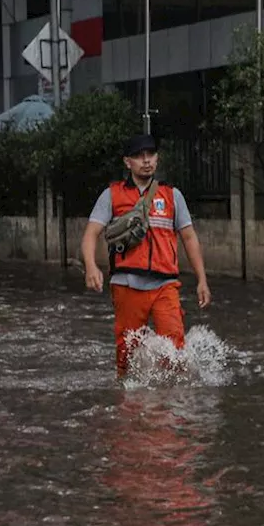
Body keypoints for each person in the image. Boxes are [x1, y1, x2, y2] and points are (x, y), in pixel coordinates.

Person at [80, 134, 212, 376]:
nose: (146, 161)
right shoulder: (112, 195)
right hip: (127, 284)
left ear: (157, 159)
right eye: (139, 157)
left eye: (150, 155)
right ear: (127, 162)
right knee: (126, 354)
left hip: (165, 284)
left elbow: (189, 237)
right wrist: (91, 266)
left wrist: (202, 279)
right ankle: (127, 402)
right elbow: (91, 233)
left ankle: (170, 405)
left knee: (175, 350)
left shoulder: (172, 196)